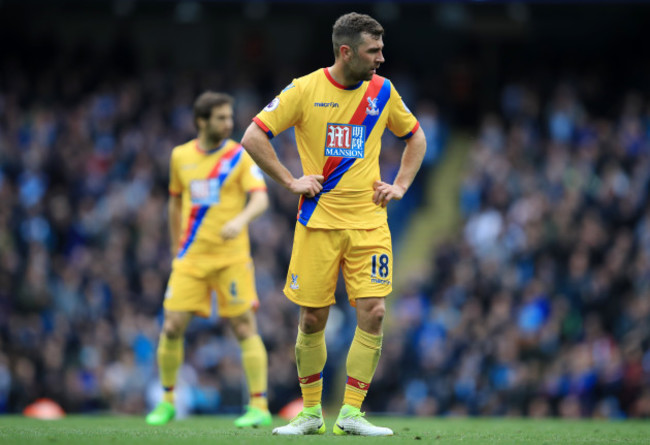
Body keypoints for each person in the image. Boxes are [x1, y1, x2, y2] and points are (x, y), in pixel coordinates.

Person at [241, 12, 426, 436]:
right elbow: (253, 136)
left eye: (381, 49)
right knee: (312, 320)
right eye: (373, 50)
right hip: (319, 223)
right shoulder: (304, 89)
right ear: (346, 52)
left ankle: (352, 413)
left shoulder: (383, 91)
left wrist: (399, 184)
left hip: (368, 224)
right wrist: (290, 180)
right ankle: (309, 414)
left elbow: (415, 135)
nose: (381, 58)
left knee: (375, 313)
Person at [146, 92, 271, 427]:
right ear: (201, 121)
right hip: (191, 258)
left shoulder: (239, 156)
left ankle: (259, 405)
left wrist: (240, 220)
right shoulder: (180, 157)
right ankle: (168, 401)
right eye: (221, 118)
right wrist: (176, 248)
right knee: (171, 325)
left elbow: (260, 200)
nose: (228, 123)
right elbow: (174, 202)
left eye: (230, 117)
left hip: (231, 258)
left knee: (244, 327)